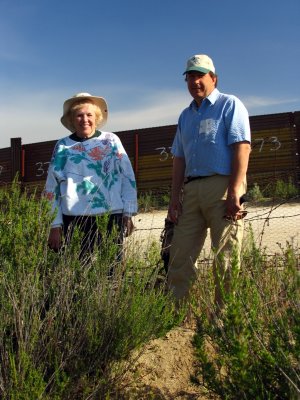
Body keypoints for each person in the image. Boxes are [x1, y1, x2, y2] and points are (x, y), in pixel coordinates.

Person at [168, 54, 251, 311]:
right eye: (190, 77)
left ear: (213, 78)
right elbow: (179, 160)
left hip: (222, 186)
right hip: (191, 190)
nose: (195, 81)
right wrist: (174, 201)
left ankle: (224, 318)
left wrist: (235, 192)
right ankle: (177, 314)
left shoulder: (229, 104)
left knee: (225, 256)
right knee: (180, 255)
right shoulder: (185, 116)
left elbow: (242, 147)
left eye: (199, 75)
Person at [43, 92, 137, 266]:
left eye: (89, 115)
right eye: (79, 115)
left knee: (111, 270)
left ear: (97, 117)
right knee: (77, 272)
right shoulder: (63, 145)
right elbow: (51, 187)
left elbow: (127, 177)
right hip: (75, 219)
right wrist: (54, 225)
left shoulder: (111, 140)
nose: (84, 119)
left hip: (110, 217)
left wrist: (128, 213)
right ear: (72, 119)